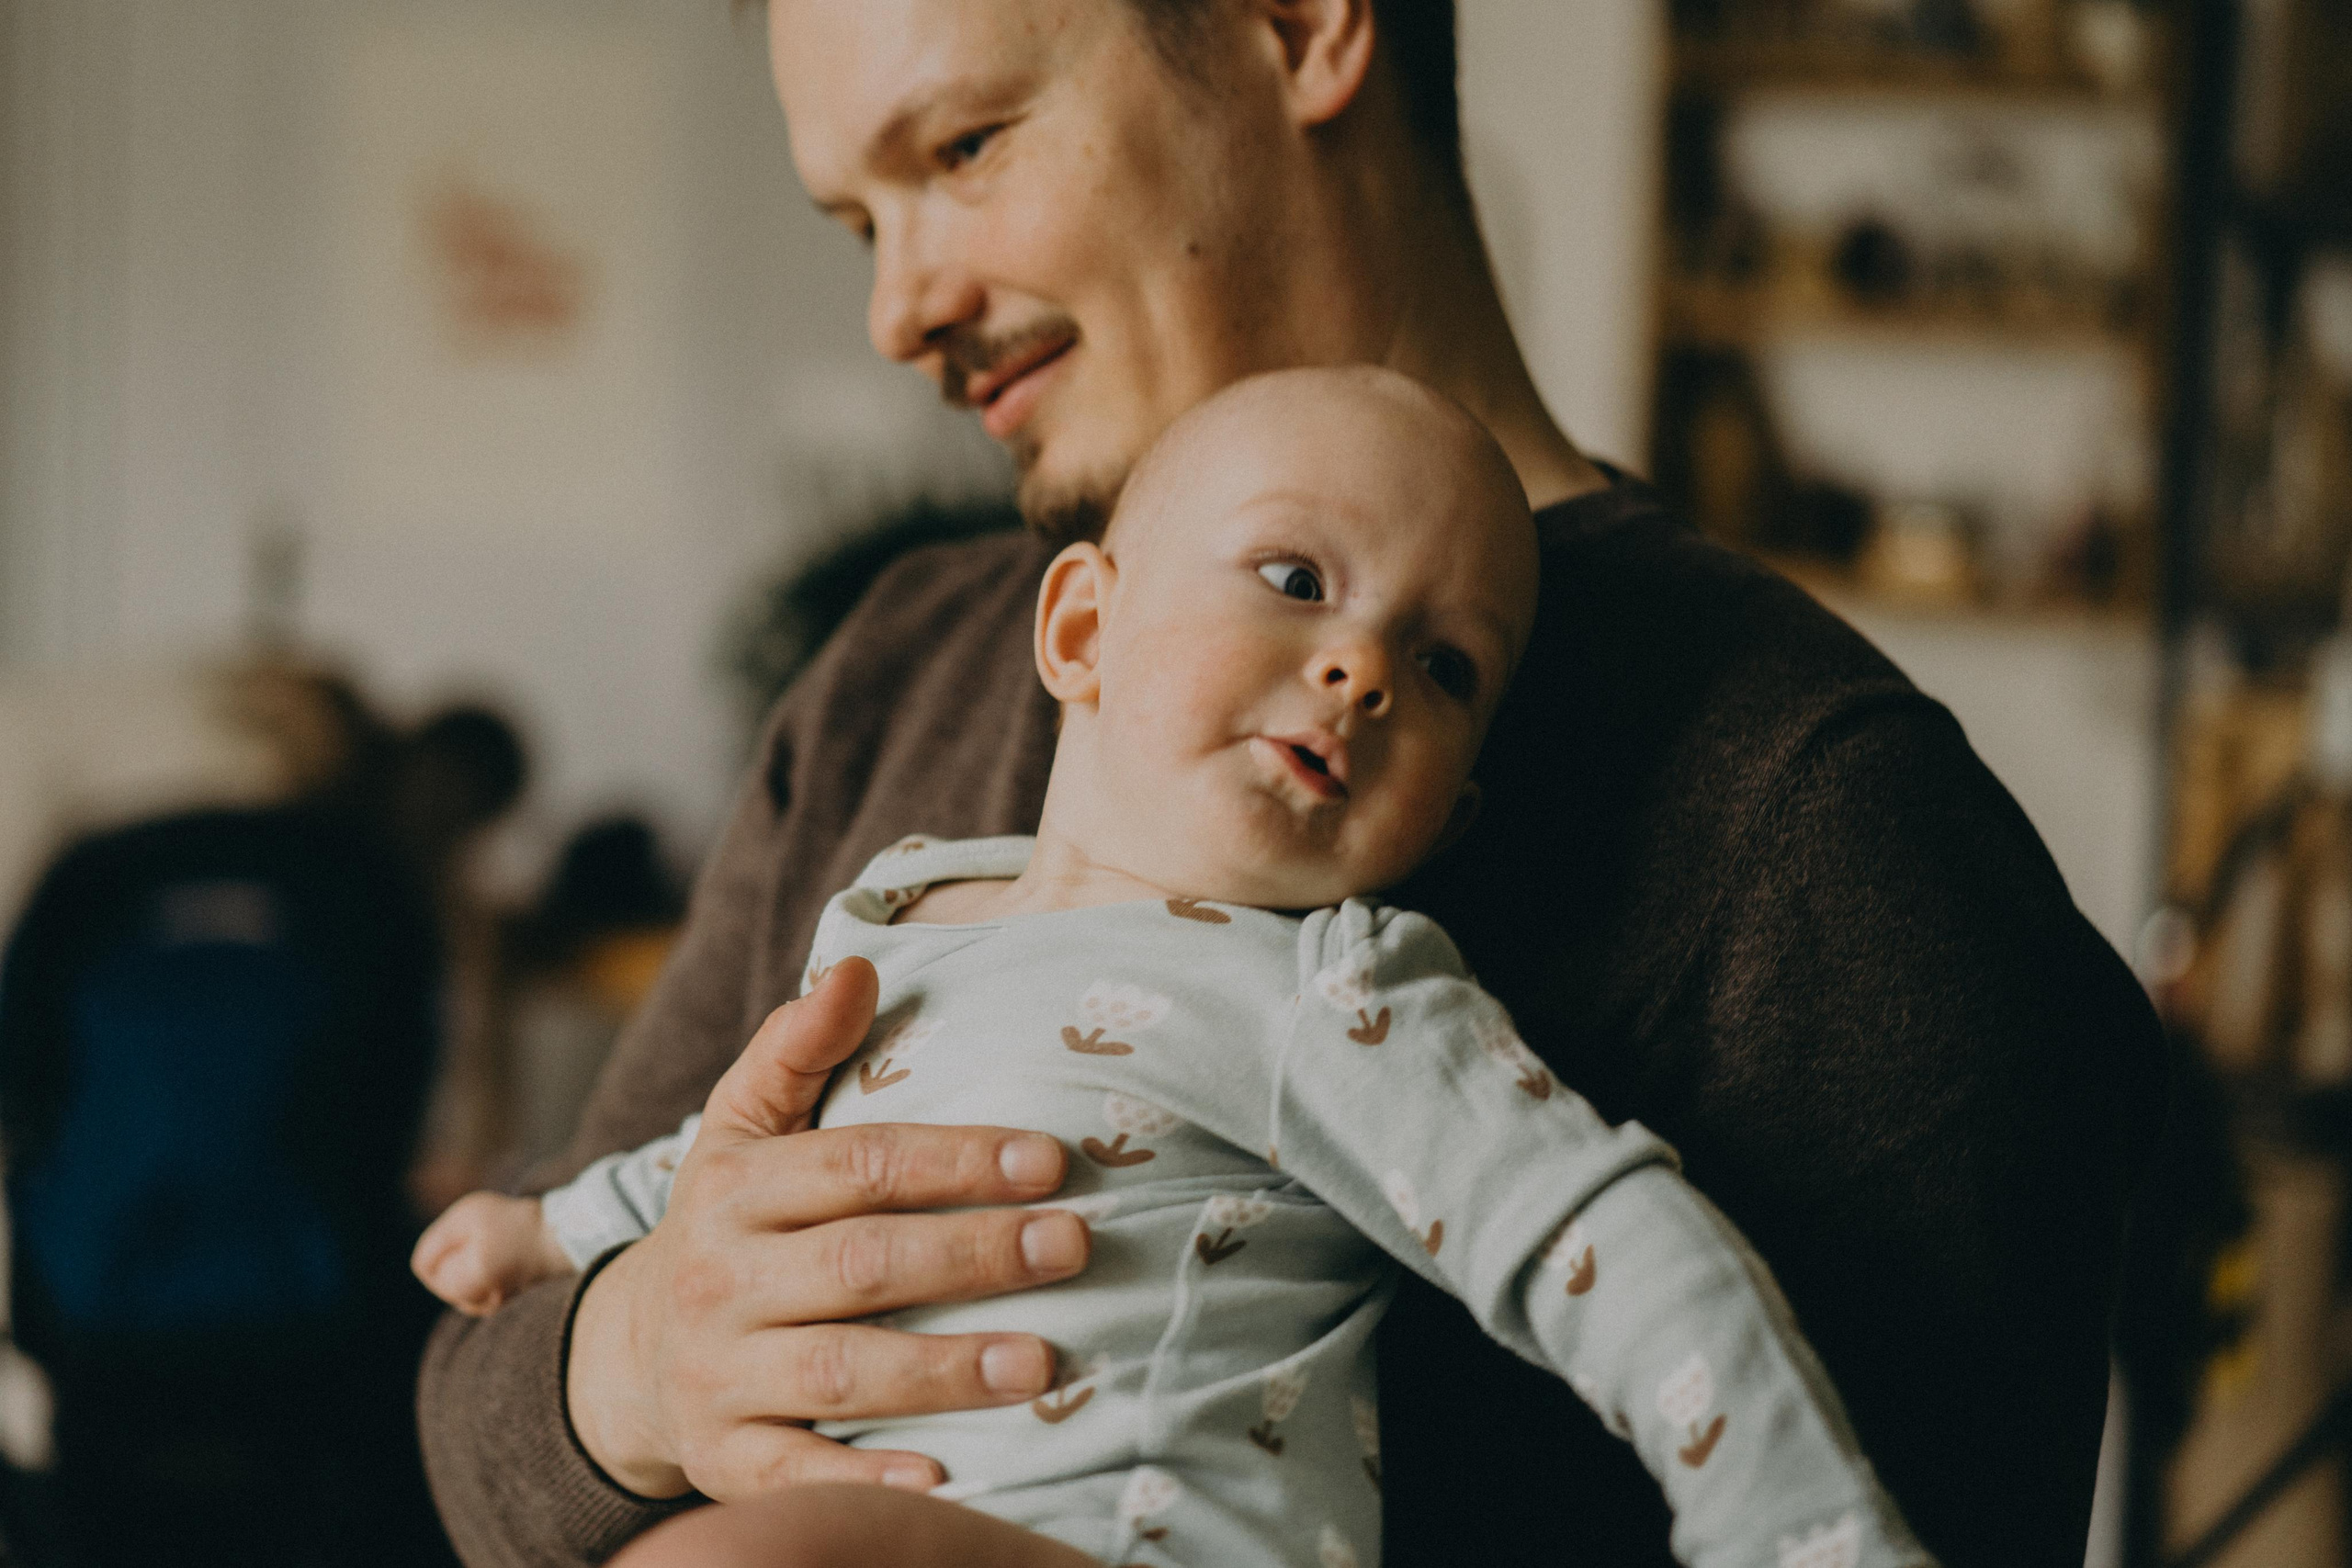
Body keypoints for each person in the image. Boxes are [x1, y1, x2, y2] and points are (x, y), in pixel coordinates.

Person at [416, 4, 2165, 1565]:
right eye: (863, 222)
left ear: (1307, 26)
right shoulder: (901, 673)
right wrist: (631, 1362)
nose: (898, 309)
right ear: (1080, 628)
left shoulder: (1845, 843)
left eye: (964, 146)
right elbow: (470, 1396)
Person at [413, 368, 1932, 1567]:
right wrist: (560, 1226)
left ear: (1448, 818)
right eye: (1295, 576)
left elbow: (1603, 1236)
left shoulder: (1333, 992)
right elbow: (753, 1169)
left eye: (1446, 665)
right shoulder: (900, 909)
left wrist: (1801, 1530)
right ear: (1083, 625)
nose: (1364, 669)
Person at [0, 699, 522, 1568]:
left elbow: (25, 1092)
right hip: (309, 1332)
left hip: (96, 1318)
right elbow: (398, 1119)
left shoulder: (107, 870)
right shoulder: (371, 890)